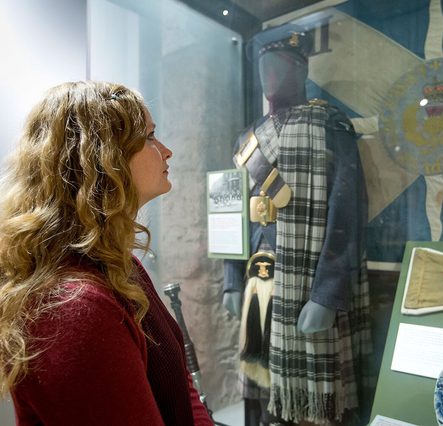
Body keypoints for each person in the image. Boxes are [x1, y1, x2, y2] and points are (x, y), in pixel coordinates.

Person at [0, 81, 213, 426]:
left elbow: (181, 387)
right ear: (104, 157)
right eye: (149, 137)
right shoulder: (70, 307)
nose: (167, 150)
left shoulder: (119, 265)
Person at [223, 26, 371, 425]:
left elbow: (347, 215)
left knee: (314, 405)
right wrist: (231, 278)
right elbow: (231, 212)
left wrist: (327, 293)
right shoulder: (246, 138)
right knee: (260, 384)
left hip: (308, 280)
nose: (267, 76)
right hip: (260, 281)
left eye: (279, 66)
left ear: (302, 70)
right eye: (262, 68)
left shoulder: (331, 124)